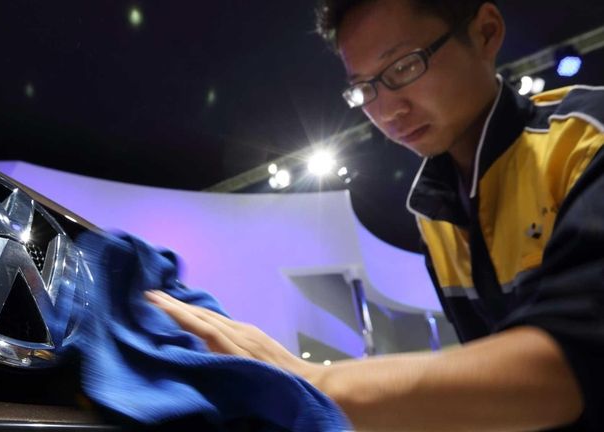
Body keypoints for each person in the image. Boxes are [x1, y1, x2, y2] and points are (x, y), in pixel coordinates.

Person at [146, 0, 604, 430]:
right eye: (364, 88)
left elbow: (568, 367)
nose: (386, 111)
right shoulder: (433, 211)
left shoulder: (585, 140)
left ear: (485, 32)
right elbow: (495, 392)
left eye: (404, 66)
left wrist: (313, 382)